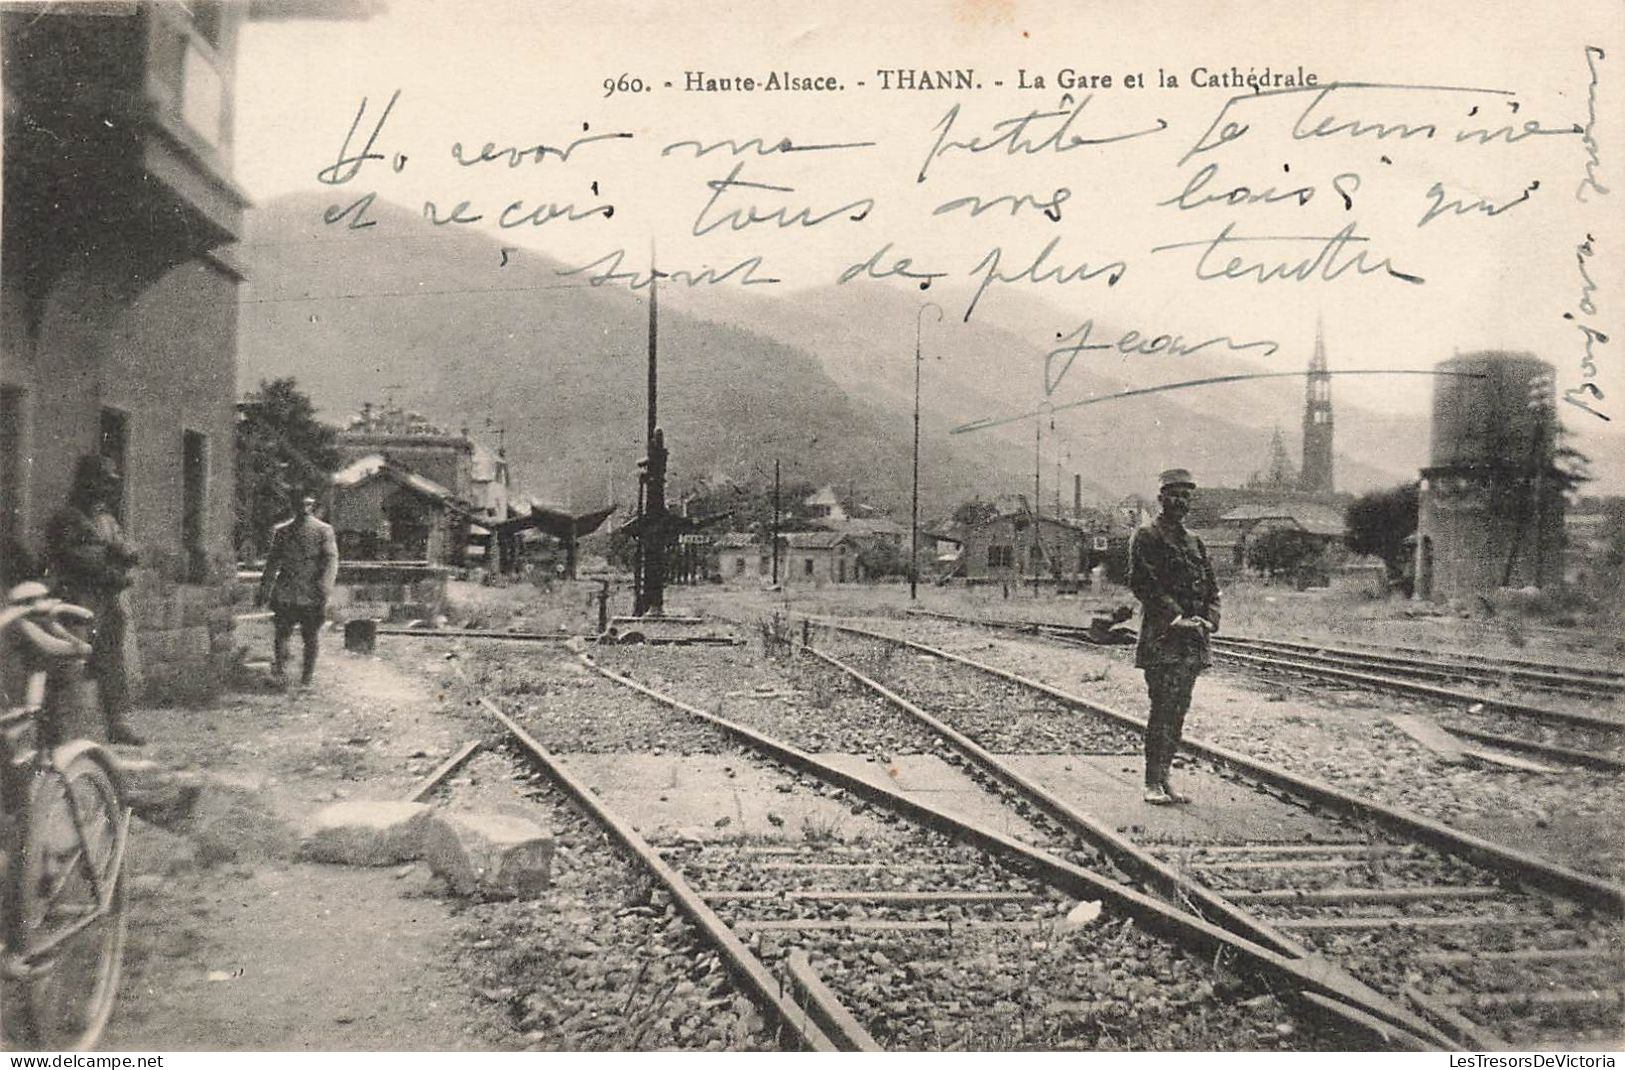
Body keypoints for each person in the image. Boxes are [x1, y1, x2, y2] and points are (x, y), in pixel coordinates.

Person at [1128, 468, 1221, 805]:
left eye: (1186, 495)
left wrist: (1210, 619)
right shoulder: (1147, 536)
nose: (1181, 501)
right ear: (1161, 498)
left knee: (1179, 709)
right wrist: (1177, 617)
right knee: (1162, 708)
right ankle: (1152, 782)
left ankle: (1165, 780)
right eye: (1174, 494)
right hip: (1163, 638)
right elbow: (1143, 583)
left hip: (1194, 641)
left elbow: (1213, 589)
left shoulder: (1195, 542)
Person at [43, 454, 145, 745]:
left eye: (110, 483)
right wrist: (110, 565)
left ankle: (115, 722)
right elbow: (76, 558)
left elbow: (123, 550)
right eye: (100, 482)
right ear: (85, 482)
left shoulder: (105, 519)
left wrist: (123, 555)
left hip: (105, 603)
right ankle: (56, 733)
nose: (107, 489)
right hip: (75, 601)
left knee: (111, 662)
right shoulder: (66, 518)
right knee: (67, 663)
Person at [256, 490, 339, 687]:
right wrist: (264, 589)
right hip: (286, 592)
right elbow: (272, 563)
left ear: (312, 506)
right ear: (293, 506)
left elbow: (331, 561)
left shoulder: (323, 531)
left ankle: (306, 678)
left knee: (310, 636)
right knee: (281, 633)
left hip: (311, 592)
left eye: (307, 505)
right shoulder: (282, 531)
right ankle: (282, 674)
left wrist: (324, 587)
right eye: (299, 505)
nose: (303, 509)